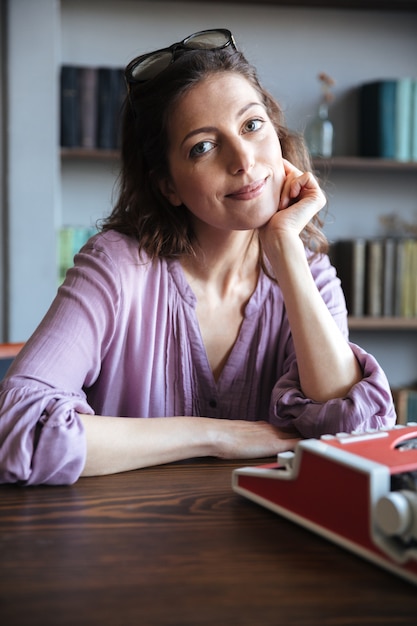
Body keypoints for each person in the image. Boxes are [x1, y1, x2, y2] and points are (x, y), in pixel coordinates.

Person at [0, 29, 395, 485]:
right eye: (203, 146)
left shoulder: (312, 278)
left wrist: (288, 253)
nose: (244, 160)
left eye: (252, 125)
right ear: (167, 184)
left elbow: (350, 434)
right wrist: (215, 437)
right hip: (121, 541)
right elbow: (18, 429)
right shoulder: (116, 268)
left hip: (268, 543)